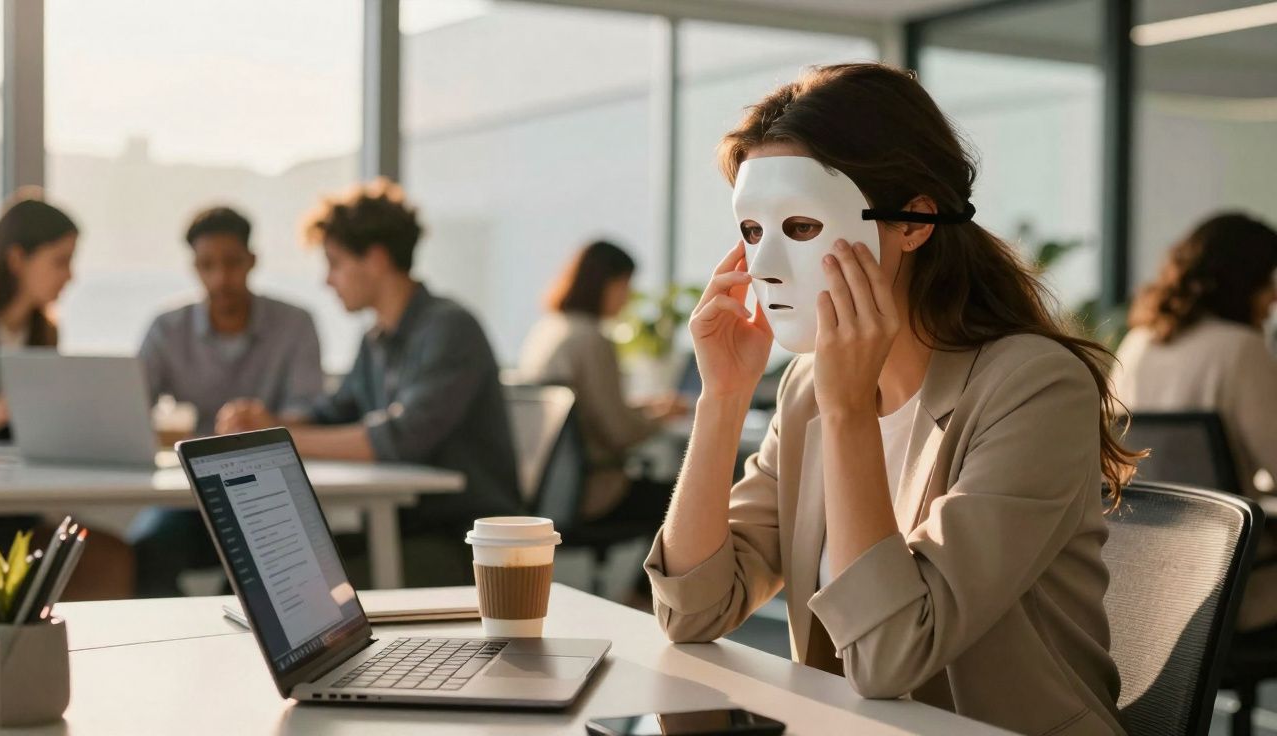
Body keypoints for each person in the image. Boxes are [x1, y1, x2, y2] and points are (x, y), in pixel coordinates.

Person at [644, 64, 1138, 736]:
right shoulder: (805, 389)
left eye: (800, 226)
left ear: (914, 223)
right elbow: (693, 613)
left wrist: (848, 415)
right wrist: (723, 399)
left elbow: (887, 659)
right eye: (753, 232)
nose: (765, 266)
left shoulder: (1034, 387)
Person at [216, 179, 520, 587]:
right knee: (255, 574)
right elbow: (331, 414)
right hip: (401, 531)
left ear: (375, 259)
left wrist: (276, 436)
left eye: (335, 263)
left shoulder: (450, 329)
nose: (328, 280)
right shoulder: (376, 338)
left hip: (468, 544)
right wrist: (262, 422)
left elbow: (401, 437)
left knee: (290, 586)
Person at [129, 206, 324, 596]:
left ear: (252, 261)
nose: (221, 278)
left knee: (262, 570)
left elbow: (312, 415)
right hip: (190, 496)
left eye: (232, 263)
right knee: (147, 550)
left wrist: (266, 422)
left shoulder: (295, 324)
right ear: (194, 267)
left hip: (269, 490)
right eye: (207, 266)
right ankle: (177, 643)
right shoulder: (167, 329)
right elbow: (131, 410)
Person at [0, 189, 134, 601]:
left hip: (19, 510)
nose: (70, 276)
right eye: (60, 261)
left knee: (108, 558)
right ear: (17, 259)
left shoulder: (43, 334)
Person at [1113, 212, 1277, 631]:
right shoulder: (1240, 348)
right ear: (1245, 280)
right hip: (1233, 583)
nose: (1274, 297)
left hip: (1143, 579)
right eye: (1269, 280)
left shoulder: (1137, 345)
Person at [518, 240, 685, 524]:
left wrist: (645, 407)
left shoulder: (549, 329)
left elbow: (586, 410)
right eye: (625, 285)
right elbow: (617, 433)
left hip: (548, 487)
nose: (629, 297)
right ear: (604, 284)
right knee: (686, 499)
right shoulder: (592, 340)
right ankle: (653, 571)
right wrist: (663, 418)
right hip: (594, 490)